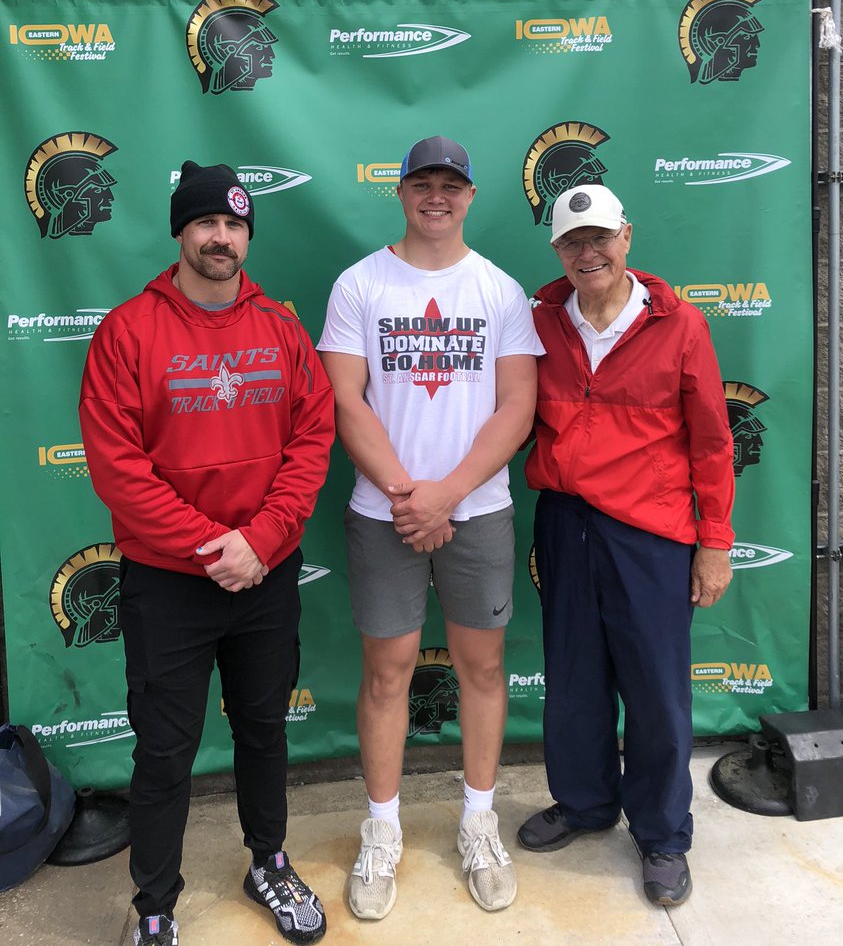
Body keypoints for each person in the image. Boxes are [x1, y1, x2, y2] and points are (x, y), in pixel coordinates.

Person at [79, 161, 334, 946]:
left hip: (264, 572)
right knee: (164, 751)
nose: (220, 237)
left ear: (246, 235)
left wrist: (257, 543)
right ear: (181, 233)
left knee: (264, 731)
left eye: (233, 224)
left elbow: (313, 439)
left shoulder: (281, 330)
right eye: (205, 223)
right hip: (169, 584)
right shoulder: (128, 332)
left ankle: (270, 861)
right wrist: (207, 546)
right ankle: (155, 906)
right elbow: (118, 468)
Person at [317, 135, 543, 919]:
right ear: (402, 191)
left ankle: (480, 820)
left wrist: (445, 494)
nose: (437, 197)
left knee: (482, 669)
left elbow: (519, 404)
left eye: (452, 184)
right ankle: (382, 830)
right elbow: (345, 399)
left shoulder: (500, 291)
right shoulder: (359, 284)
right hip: (385, 515)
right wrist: (409, 496)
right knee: (388, 672)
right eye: (423, 183)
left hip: (476, 511)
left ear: (472, 196)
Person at [516, 183, 734, 907]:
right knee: (573, 680)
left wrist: (715, 542)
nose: (589, 253)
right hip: (566, 522)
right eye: (574, 242)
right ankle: (584, 804)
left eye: (601, 238)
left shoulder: (679, 326)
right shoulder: (538, 321)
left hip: (653, 535)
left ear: (628, 238)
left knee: (657, 693)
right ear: (557, 251)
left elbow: (711, 441)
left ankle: (665, 833)